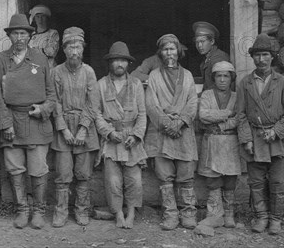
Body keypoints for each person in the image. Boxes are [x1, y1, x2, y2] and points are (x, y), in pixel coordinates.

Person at [0, 14, 56, 229]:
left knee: (38, 168)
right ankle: (22, 209)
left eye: (23, 33)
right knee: (15, 168)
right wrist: (6, 123)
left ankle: (38, 210)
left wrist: (44, 108)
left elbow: (52, 94)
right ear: (9, 36)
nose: (19, 37)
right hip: (12, 120)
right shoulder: (1, 59)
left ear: (30, 36)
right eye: (15, 33)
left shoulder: (40, 58)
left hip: (36, 121)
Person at [237, 33, 284, 235]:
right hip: (255, 139)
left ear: (272, 57)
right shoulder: (245, 83)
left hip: (277, 141)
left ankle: (276, 219)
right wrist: (246, 139)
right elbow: (241, 114)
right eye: (257, 55)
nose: (261, 59)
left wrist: (276, 131)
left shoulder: (282, 82)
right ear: (252, 58)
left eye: (265, 55)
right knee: (256, 182)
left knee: (278, 182)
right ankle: (261, 217)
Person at [145, 34, 198, 231]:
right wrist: (167, 123)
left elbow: (193, 102)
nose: (169, 53)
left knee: (186, 174)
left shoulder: (189, 76)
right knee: (164, 175)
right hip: (162, 132)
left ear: (179, 51)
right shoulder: (154, 76)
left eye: (172, 49)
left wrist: (181, 121)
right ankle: (170, 214)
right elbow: (151, 104)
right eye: (166, 49)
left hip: (183, 131)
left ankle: (188, 213)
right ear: (161, 53)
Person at [50, 27, 100, 228]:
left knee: (83, 174)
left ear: (82, 49)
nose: (74, 51)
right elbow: (54, 102)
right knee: (62, 174)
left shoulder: (88, 72)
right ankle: (60, 212)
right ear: (64, 49)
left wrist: (82, 128)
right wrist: (64, 129)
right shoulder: (56, 72)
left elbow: (93, 102)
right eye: (70, 46)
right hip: (63, 130)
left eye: (77, 46)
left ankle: (81, 211)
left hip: (84, 130)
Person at [95, 41, 147, 229]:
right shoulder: (100, 85)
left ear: (128, 63)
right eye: (115, 60)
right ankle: (118, 213)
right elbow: (97, 113)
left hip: (131, 139)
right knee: (113, 181)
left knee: (135, 180)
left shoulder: (136, 85)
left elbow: (142, 114)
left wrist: (136, 135)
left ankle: (131, 213)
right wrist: (108, 133)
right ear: (110, 63)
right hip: (111, 140)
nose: (119, 64)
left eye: (123, 60)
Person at [197, 61, 241, 228]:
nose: (222, 79)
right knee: (213, 179)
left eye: (226, 76)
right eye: (219, 76)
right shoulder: (207, 95)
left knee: (230, 179)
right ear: (213, 78)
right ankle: (215, 214)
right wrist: (227, 113)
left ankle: (229, 215)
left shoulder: (237, 97)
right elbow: (203, 115)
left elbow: (239, 119)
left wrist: (222, 124)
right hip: (212, 141)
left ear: (231, 78)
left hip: (230, 142)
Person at [192, 21, 230, 91]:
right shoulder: (208, 57)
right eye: (197, 42)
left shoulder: (219, 58)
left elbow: (219, 87)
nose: (199, 46)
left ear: (212, 41)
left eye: (202, 41)